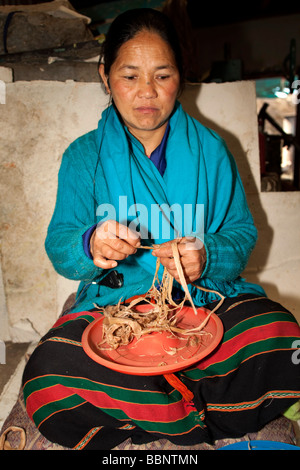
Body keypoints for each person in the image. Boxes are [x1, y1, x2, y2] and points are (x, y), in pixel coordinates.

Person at [22, 8, 300, 450]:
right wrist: (91, 243)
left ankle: (156, 403)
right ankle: (195, 413)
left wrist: (206, 254)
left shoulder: (212, 151)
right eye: (130, 76)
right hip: (114, 312)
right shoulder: (83, 156)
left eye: (162, 76)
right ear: (105, 75)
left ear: (180, 77)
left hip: (204, 306)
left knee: (281, 335)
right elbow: (59, 244)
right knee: (46, 375)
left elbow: (241, 234)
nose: (147, 92)